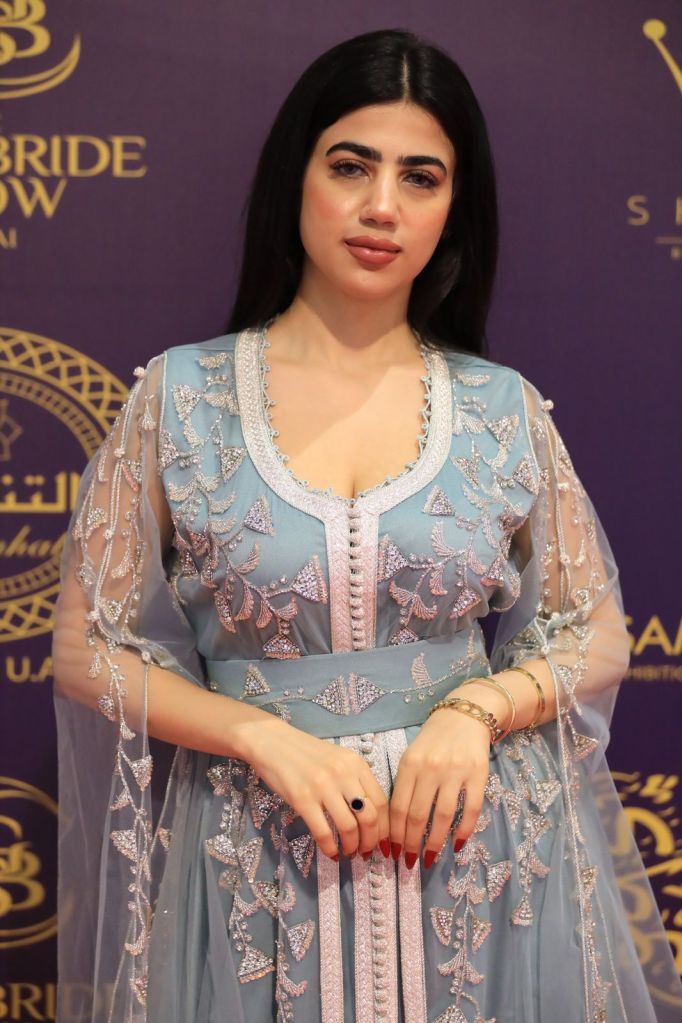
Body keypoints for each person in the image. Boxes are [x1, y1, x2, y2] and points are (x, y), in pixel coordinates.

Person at [52, 27, 681, 1023]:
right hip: (255, 860)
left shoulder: (501, 409)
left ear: (453, 208)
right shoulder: (178, 400)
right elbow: (87, 650)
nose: (382, 205)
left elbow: (596, 634)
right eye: (350, 166)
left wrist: (476, 713)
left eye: (420, 177)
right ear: (295, 176)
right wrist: (257, 735)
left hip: (477, 863)